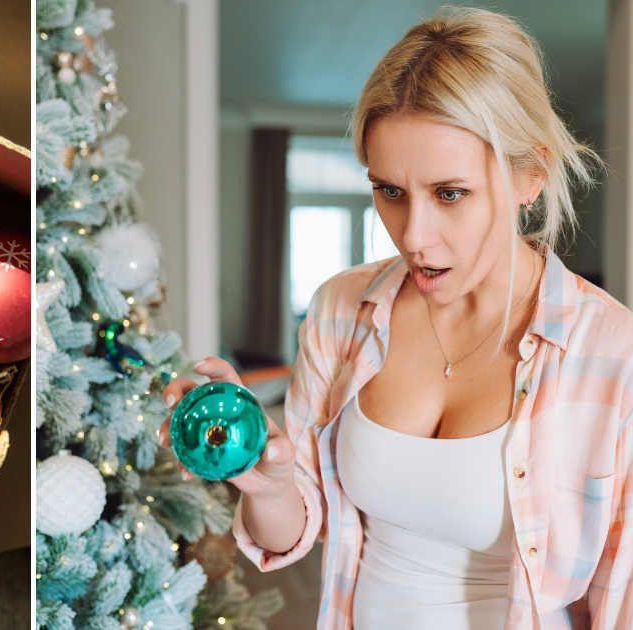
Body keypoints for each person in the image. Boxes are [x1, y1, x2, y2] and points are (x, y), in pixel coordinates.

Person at [160, 7, 633, 629]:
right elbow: (294, 531)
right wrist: (266, 481)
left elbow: (621, 598)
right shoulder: (341, 310)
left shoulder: (611, 354)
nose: (413, 237)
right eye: (389, 191)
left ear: (530, 177)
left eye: (450, 194)